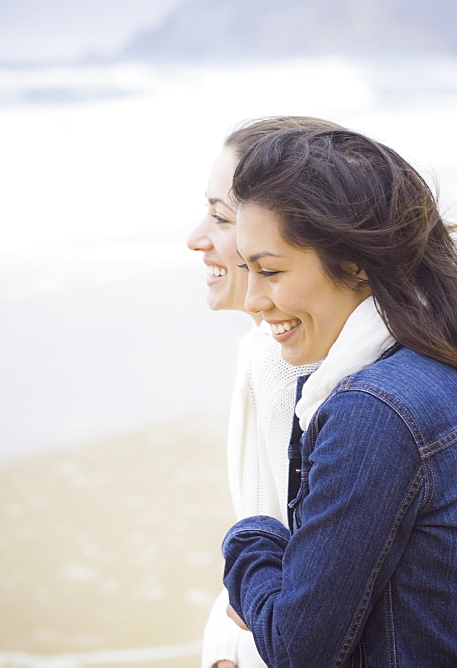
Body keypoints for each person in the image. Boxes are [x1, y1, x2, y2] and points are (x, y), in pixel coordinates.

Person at [222, 127, 457, 666]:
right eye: (246, 270)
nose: (255, 299)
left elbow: (298, 648)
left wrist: (249, 541)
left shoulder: (376, 411)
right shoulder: (442, 363)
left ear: (356, 264)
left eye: (270, 271)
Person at [188, 116, 390, 668]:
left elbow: (282, 578)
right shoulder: (279, 349)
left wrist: (230, 647)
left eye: (221, 217)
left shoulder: (295, 366)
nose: (196, 238)